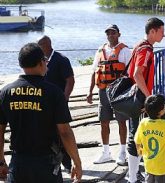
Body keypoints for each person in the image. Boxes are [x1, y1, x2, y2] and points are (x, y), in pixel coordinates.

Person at [0, 43, 82, 182]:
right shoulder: (54, 93)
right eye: (45, 60)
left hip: (19, 163)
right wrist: (77, 162)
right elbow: (64, 132)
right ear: (41, 63)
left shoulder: (6, 92)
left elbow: (0, 130)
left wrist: (1, 161)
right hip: (46, 164)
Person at [86, 24, 131, 165]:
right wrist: (90, 92)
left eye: (113, 33)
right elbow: (94, 71)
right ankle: (106, 152)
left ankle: (123, 152)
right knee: (103, 122)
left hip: (119, 92)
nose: (110, 35)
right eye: (108, 33)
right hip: (103, 90)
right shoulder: (100, 50)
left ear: (119, 34)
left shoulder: (124, 51)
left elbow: (130, 73)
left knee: (121, 122)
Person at [127, 17, 165, 183]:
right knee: (137, 136)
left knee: (136, 134)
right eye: (162, 32)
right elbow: (137, 73)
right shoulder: (146, 50)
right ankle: (133, 176)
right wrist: (149, 96)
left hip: (136, 96)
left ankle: (135, 173)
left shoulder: (139, 45)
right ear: (153, 31)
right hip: (141, 97)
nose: (164, 35)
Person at [37, 35, 75, 172]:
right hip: (43, 104)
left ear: (46, 45)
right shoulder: (40, 61)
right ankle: (51, 161)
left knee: (62, 132)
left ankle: (68, 164)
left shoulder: (61, 60)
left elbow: (70, 80)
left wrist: (64, 99)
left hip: (58, 103)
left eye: (39, 45)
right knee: (48, 132)